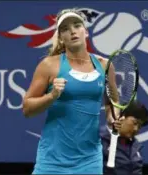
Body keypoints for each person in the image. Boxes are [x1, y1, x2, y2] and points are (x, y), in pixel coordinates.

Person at [22, 8, 116, 174]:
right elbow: (27, 109)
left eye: (77, 25)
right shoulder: (49, 65)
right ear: (61, 38)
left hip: (89, 160)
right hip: (52, 160)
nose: (72, 31)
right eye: (65, 29)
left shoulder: (104, 65)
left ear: (85, 31)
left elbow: (112, 104)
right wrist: (52, 96)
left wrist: (112, 118)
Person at [100, 100, 148, 175]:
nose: (136, 129)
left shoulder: (136, 147)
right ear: (122, 117)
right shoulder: (98, 140)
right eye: (135, 123)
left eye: (139, 126)